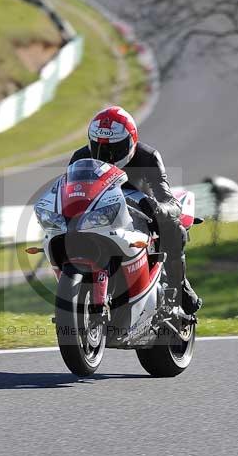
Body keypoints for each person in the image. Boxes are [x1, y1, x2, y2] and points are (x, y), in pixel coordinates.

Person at [69, 106, 202, 314]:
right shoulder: (81, 158)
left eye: (115, 148)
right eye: (100, 148)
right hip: (100, 215)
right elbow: (69, 192)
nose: (107, 156)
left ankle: (180, 286)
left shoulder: (147, 157)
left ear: (131, 142)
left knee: (174, 229)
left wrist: (157, 208)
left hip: (141, 216)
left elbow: (169, 200)